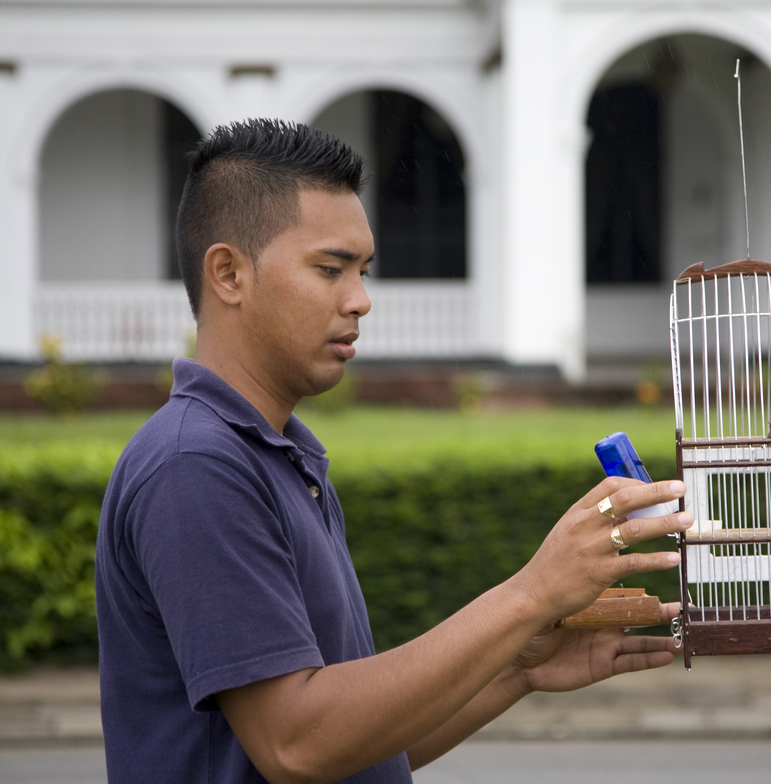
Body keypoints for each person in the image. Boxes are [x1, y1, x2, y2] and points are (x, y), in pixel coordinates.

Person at [94, 118, 692, 784]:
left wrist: (518, 666)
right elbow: (297, 745)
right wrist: (531, 595)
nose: (361, 300)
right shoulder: (196, 464)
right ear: (229, 273)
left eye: (363, 271)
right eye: (330, 270)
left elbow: (356, 746)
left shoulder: (280, 457)